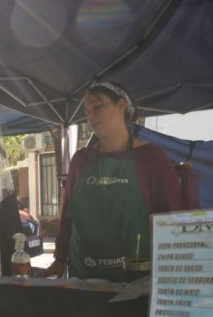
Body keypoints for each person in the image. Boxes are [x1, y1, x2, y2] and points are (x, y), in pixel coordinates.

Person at [41, 81, 182, 282]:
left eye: (97, 106)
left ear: (122, 106)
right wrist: (60, 257)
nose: (90, 115)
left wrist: (172, 274)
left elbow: (171, 219)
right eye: (87, 110)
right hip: (84, 276)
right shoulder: (81, 160)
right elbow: (67, 215)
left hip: (136, 281)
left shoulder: (152, 158)